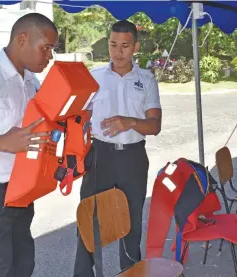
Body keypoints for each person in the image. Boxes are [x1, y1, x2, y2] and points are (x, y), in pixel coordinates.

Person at [0, 13, 58, 277]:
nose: (49, 57)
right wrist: (2, 142)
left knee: (21, 267)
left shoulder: (30, 82)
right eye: (46, 48)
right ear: (22, 39)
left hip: (18, 193)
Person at [74, 20, 162, 276]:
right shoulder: (94, 77)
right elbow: (78, 116)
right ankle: (82, 273)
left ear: (135, 47)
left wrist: (130, 122)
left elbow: (154, 126)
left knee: (132, 220)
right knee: (89, 218)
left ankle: (131, 270)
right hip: (100, 155)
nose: (118, 51)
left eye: (125, 46)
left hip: (133, 158)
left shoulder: (146, 80)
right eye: (113, 45)